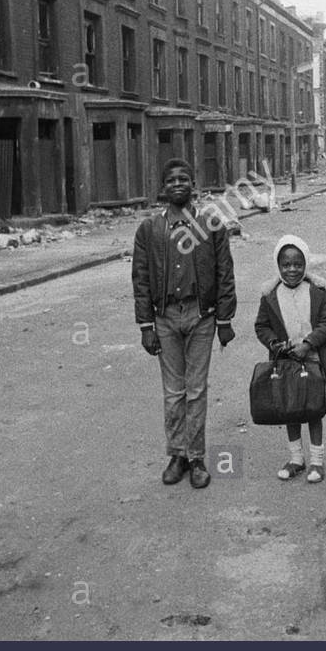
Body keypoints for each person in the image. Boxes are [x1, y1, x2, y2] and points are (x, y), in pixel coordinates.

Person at [132, 158, 237, 490]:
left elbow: (224, 273)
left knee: (196, 389)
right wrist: (145, 326)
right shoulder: (149, 230)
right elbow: (141, 279)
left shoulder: (212, 224)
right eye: (171, 179)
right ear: (163, 188)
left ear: (194, 186)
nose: (178, 184)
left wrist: (224, 319)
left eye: (184, 179)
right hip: (165, 318)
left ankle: (196, 458)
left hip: (201, 317)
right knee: (173, 391)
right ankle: (176, 455)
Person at [254, 234, 326, 483]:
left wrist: (308, 344)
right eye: (286, 265)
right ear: (278, 265)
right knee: (290, 408)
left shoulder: (317, 291)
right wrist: (274, 344)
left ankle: (316, 461)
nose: (292, 269)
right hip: (286, 362)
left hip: (313, 359)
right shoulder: (270, 295)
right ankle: (296, 459)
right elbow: (262, 326)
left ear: (306, 264)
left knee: (313, 409)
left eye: (298, 264)